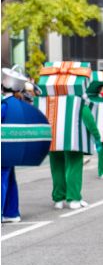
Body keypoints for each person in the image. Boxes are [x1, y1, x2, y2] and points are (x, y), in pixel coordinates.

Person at [35, 61, 102, 210]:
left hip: (52, 138)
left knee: (56, 167)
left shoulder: (46, 101)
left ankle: (58, 199)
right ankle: (74, 199)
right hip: (73, 139)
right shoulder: (79, 100)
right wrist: (97, 137)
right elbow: (88, 120)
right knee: (73, 167)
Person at [1, 66, 52, 222]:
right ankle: (11, 212)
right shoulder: (21, 104)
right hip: (14, 149)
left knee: (2, 179)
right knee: (9, 180)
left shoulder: (4, 106)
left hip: (3, 148)